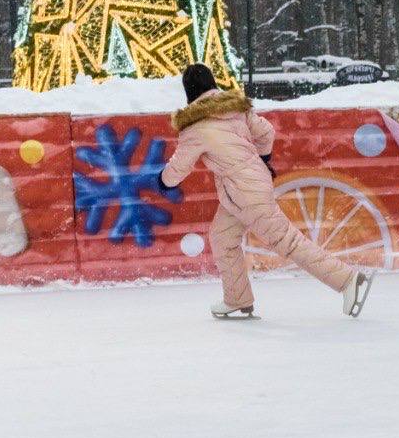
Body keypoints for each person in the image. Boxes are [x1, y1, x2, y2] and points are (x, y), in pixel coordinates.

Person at [158, 64, 373, 319]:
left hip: (245, 194)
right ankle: (237, 298)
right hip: (241, 192)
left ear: (189, 91)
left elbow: (177, 170)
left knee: (287, 242)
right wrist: (263, 158)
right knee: (222, 238)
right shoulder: (235, 108)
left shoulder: (195, 129)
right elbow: (266, 132)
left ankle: (348, 280)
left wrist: (161, 181)